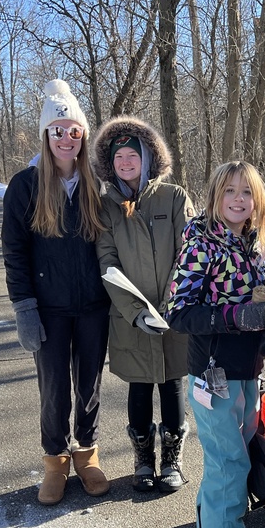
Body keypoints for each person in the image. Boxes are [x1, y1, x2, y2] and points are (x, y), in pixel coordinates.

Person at [166, 161, 265, 528]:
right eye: (230, 192)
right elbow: (178, 312)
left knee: (229, 460)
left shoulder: (251, 244)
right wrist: (233, 316)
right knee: (229, 466)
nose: (239, 200)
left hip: (246, 371)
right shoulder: (201, 243)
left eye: (247, 192)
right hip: (213, 374)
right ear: (215, 197)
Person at [1, 79, 112, 505]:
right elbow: (14, 252)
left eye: (74, 130)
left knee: (89, 384)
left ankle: (86, 454)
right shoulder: (25, 186)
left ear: (84, 136)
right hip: (47, 309)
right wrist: (23, 307)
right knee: (54, 390)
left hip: (92, 308)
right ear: (47, 136)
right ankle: (54, 461)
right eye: (57, 130)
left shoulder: (97, 186)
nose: (66, 138)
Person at [94, 116, 194, 493]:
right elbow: (107, 263)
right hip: (129, 318)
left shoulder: (174, 197)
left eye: (131, 154)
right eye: (118, 156)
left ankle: (171, 458)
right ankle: (143, 459)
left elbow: (189, 254)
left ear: (147, 157)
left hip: (172, 313)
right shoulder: (106, 208)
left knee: (172, 382)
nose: (125, 162)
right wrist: (137, 312)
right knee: (139, 386)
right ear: (111, 163)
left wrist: (171, 302)